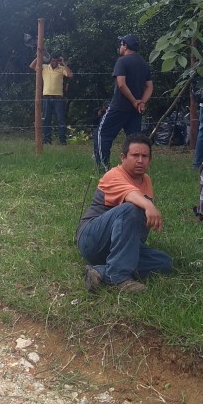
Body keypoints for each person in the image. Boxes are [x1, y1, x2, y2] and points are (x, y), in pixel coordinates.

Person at [76, 133, 171, 294]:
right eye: (135, 155)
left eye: (144, 156)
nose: (140, 160)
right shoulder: (113, 175)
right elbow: (131, 195)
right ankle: (118, 276)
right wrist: (148, 204)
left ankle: (101, 271)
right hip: (91, 240)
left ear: (150, 160)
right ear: (123, 157)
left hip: (117, 245)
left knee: (164, 262)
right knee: (131, 208)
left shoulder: (146, 180)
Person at [94, 35, 153, 171]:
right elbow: (149, 86)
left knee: (102, 134)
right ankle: (134, 167)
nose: (120, 47)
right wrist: (141, 102)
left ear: (125, 45)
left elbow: (121, 84)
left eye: (121, 44)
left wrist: (133, 101)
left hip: (119, 107)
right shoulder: (144, 64)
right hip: (136, 110)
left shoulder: (122, 61)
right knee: (134, 140)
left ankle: (103, 167)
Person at [29, 50, 73, 145]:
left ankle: (62, 140)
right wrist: (39, 56)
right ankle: (47, 140)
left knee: (61, 120)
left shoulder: (61, 69)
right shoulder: (44, 67)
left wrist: (63, 63)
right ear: (50, 61)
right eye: (53, 61)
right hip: (47, 97)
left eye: (56, 61)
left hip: (58, 98)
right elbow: (32, 66)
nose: (54, 63)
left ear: (58, 61)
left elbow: (70, 75)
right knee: (46, 119)